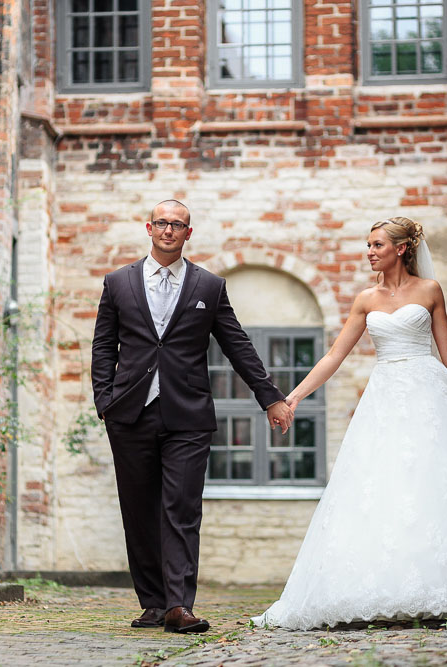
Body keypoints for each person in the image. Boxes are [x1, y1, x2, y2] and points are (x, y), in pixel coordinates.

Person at [254, 217, 447, 630]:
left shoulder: (429, 290)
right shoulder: (366, 299)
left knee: (437, 480)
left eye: (377, 244)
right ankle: (385, 585)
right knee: (387, 482)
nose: (369, 251)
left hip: (431, 391)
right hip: (386, 395)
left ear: (401, 249)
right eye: (367, 245)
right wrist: (292, 396)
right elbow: (333, 357)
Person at [92, 200, 294, 633]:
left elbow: (237, 345)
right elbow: (104, 347)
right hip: (130, 413)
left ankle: (179, 605)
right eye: (162, 223)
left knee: (181, 509)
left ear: (188, 233)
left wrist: (270, 397)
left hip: (188, 415)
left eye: (177, 225)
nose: (169, 230)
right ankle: (152, 601)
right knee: (139, 509)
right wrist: (104, 401)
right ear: (149, 228)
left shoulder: (210, 286)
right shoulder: (118, 283)